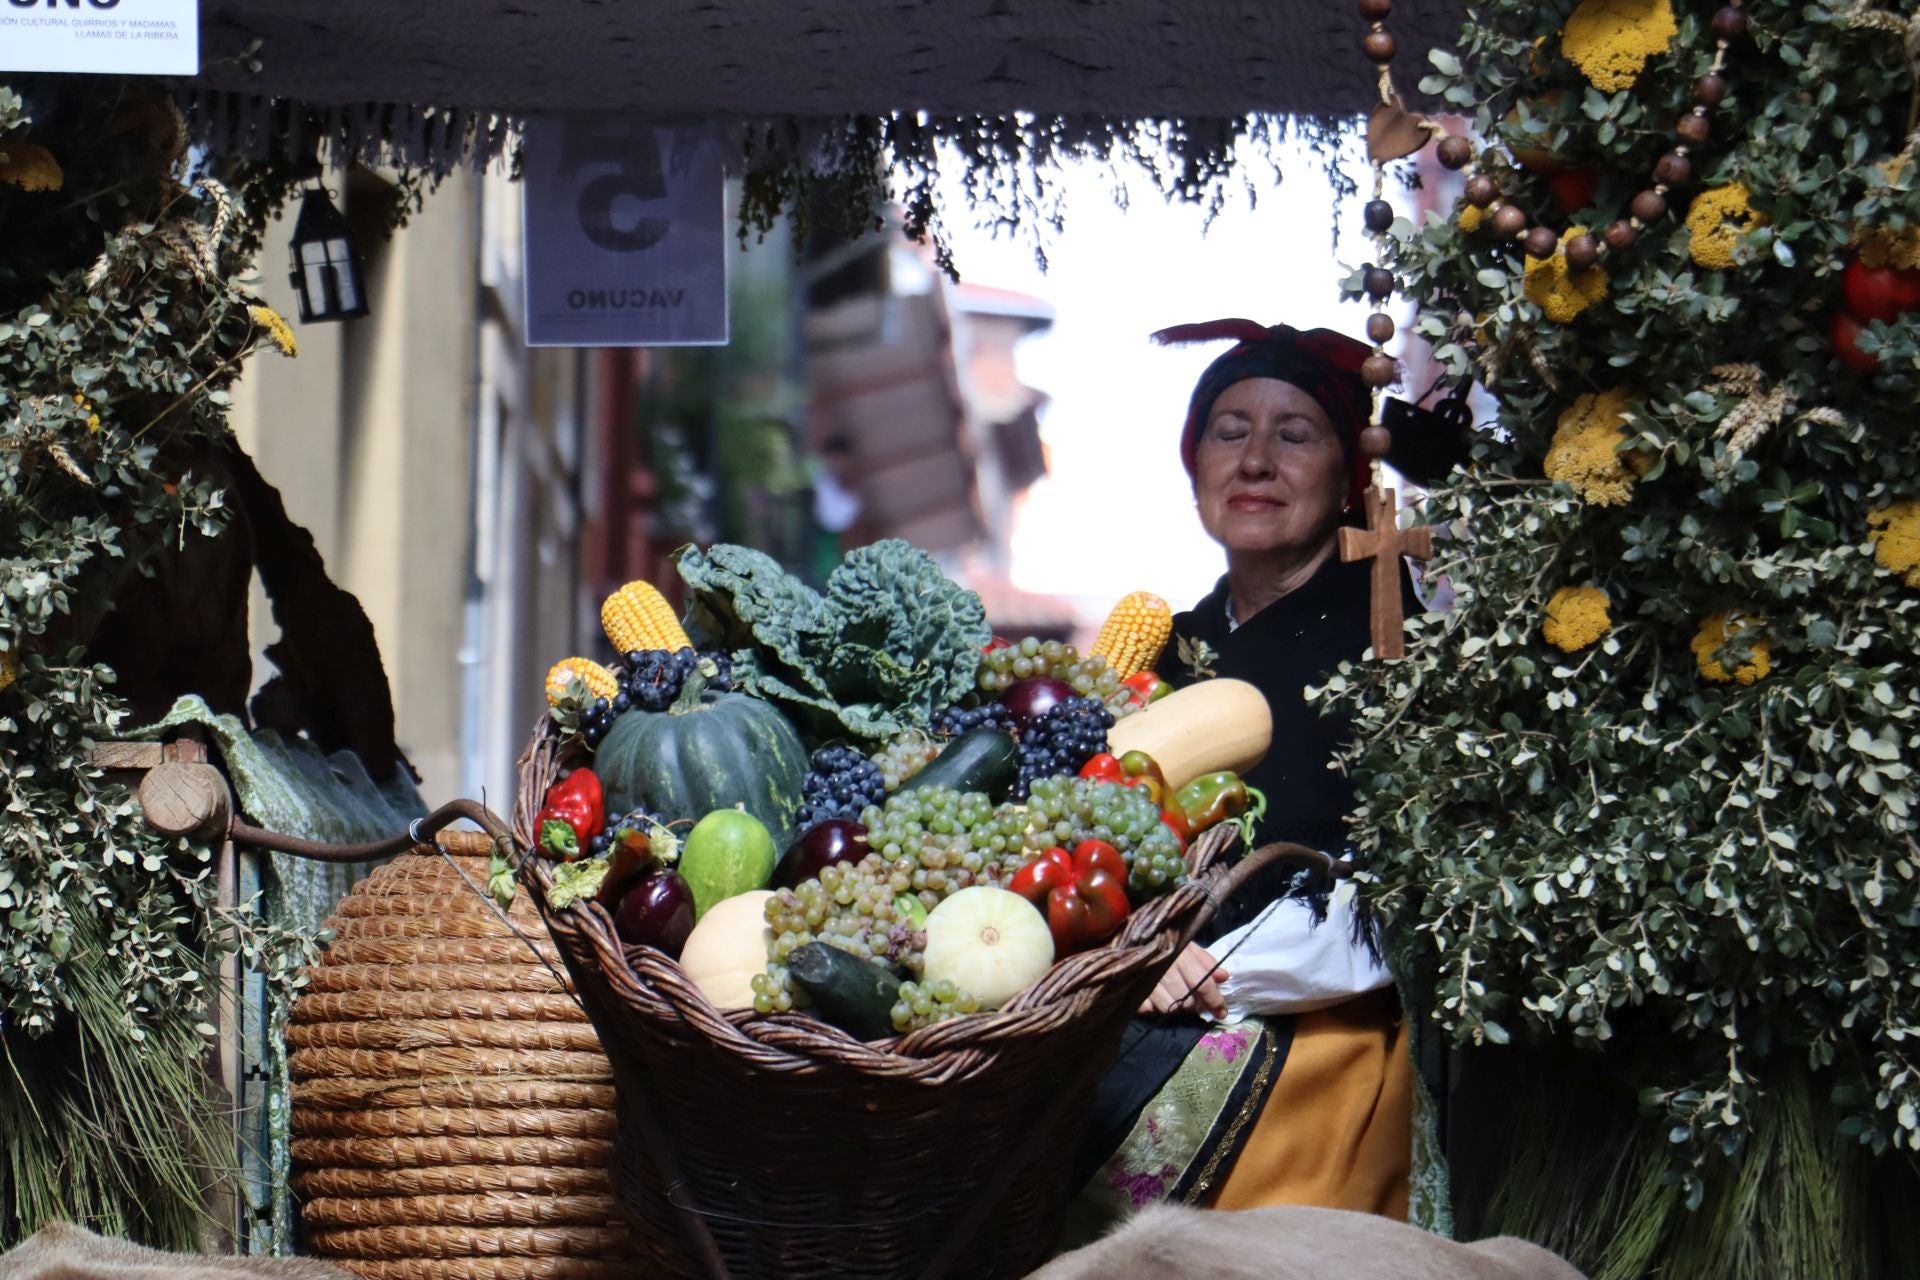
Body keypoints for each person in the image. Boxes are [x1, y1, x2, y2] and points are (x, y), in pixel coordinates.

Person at [1069, 319, 1463, 1232]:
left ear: (1346, 475)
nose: (1255, 461)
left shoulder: (1392, 649)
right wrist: (1130, 953)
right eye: (1229, 431)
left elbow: (1397, 899)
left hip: (1320, 1040)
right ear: (1194, 466)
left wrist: (1210, 969)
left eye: (1295, 435)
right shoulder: (1168, 652)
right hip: (1146, 998)